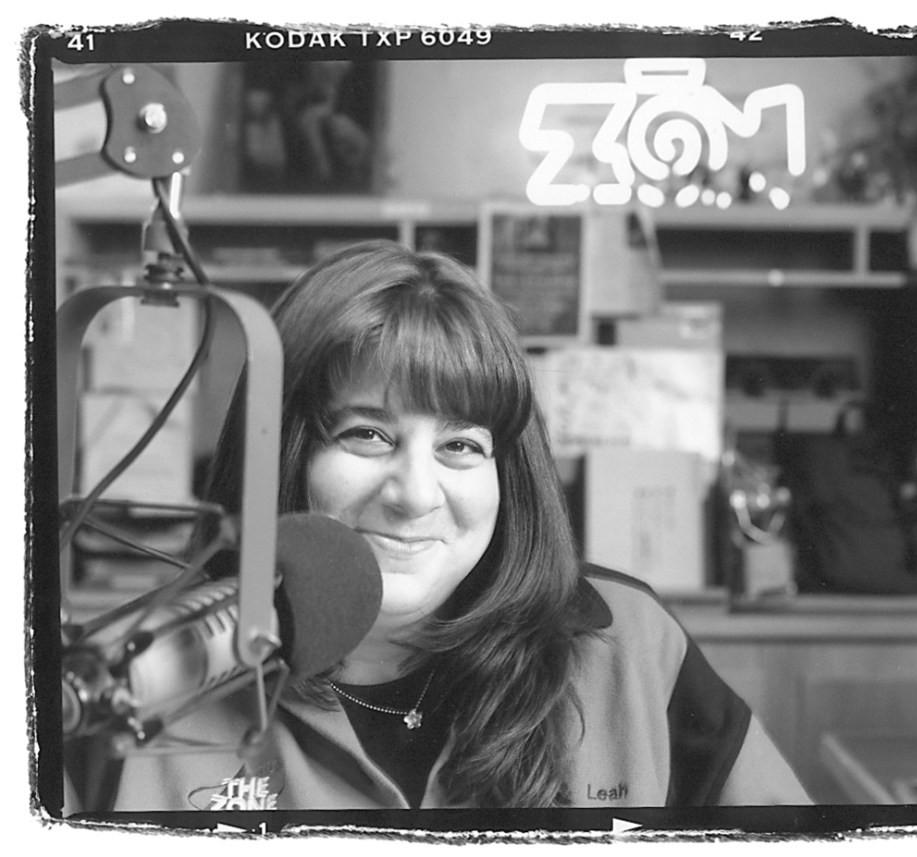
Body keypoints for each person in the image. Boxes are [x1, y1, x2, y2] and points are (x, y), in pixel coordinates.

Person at [102, 239, 810, 811]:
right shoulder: (136, 684)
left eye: (460, 446)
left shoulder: (627, 642)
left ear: (508, 473)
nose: (414, 495)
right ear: (282, 453)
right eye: (367, 435)